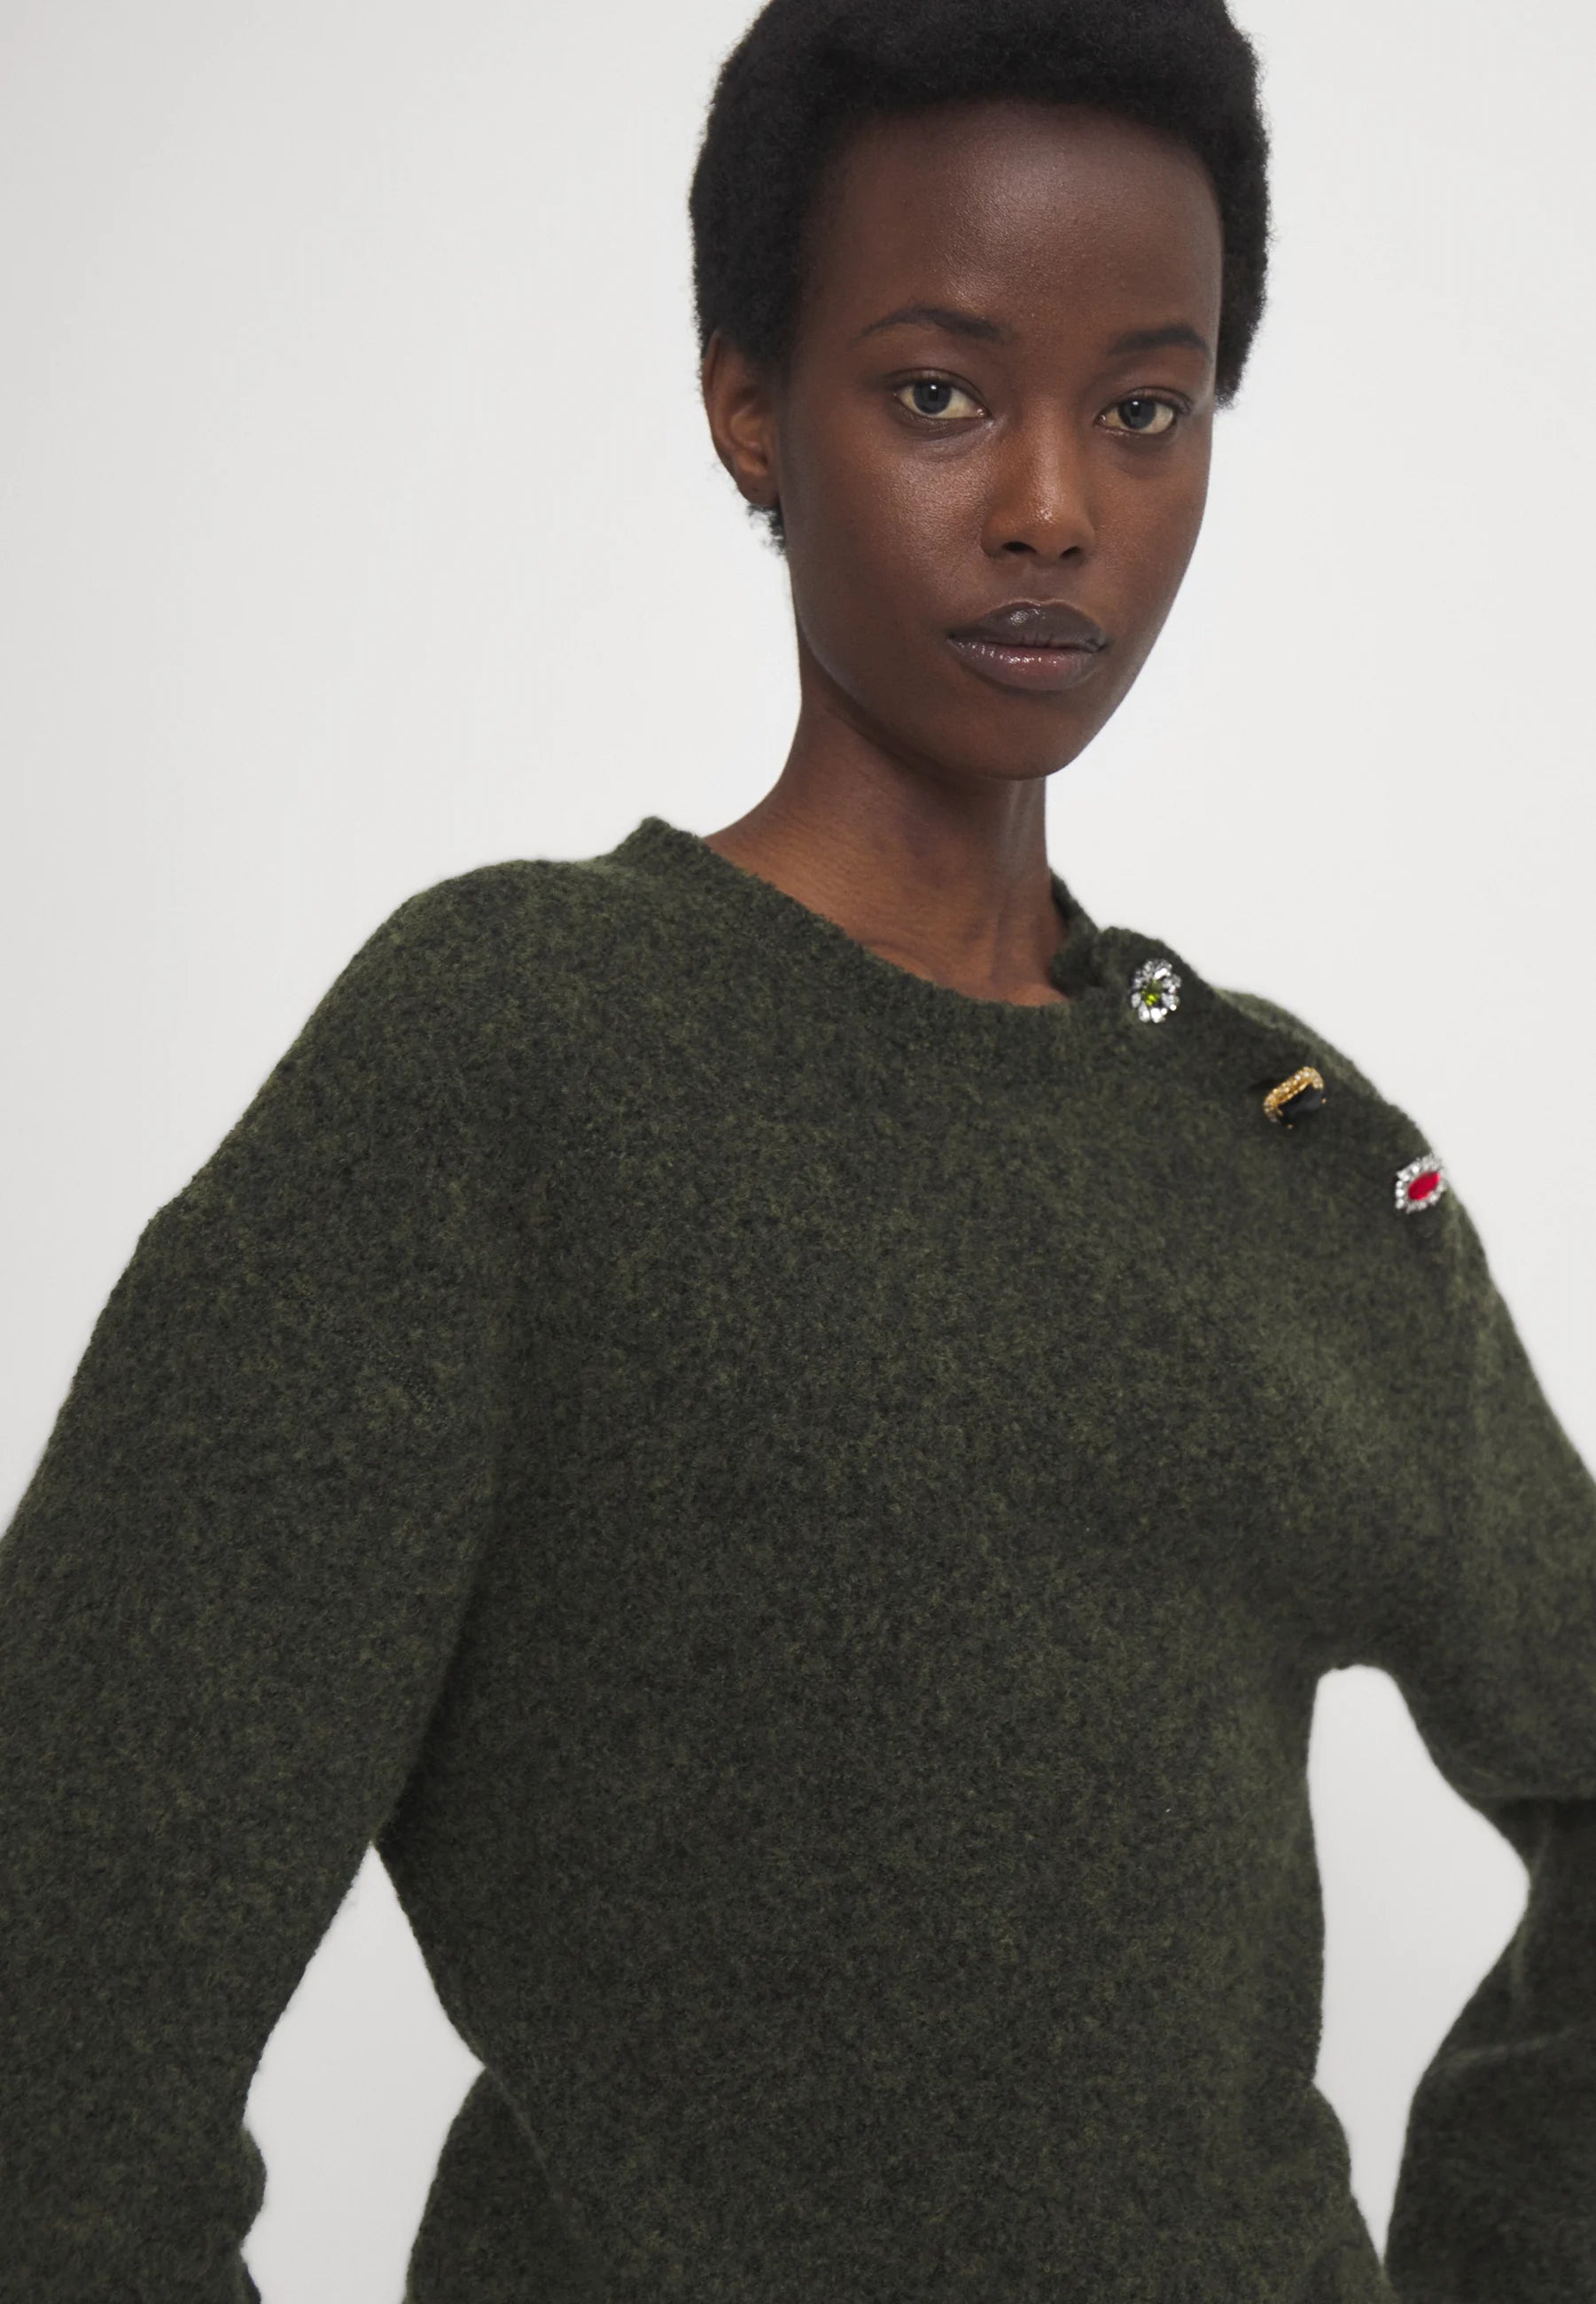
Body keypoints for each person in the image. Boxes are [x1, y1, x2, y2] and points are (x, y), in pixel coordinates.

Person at [2, 0, 1592, 2297]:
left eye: (1144, 409)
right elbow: (59, 2001)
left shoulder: (1298, 1151)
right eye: (940, 393)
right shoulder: (515, 1059)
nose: (1052, 504)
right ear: (749, 403)